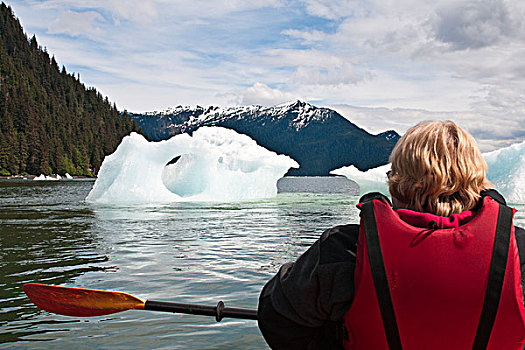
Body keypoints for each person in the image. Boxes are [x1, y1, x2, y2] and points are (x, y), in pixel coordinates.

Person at [257, 120, 525, 349]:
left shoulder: (346, 248)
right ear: (477, 179)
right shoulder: (517, 250)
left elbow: (277, 315)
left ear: (397, 181)